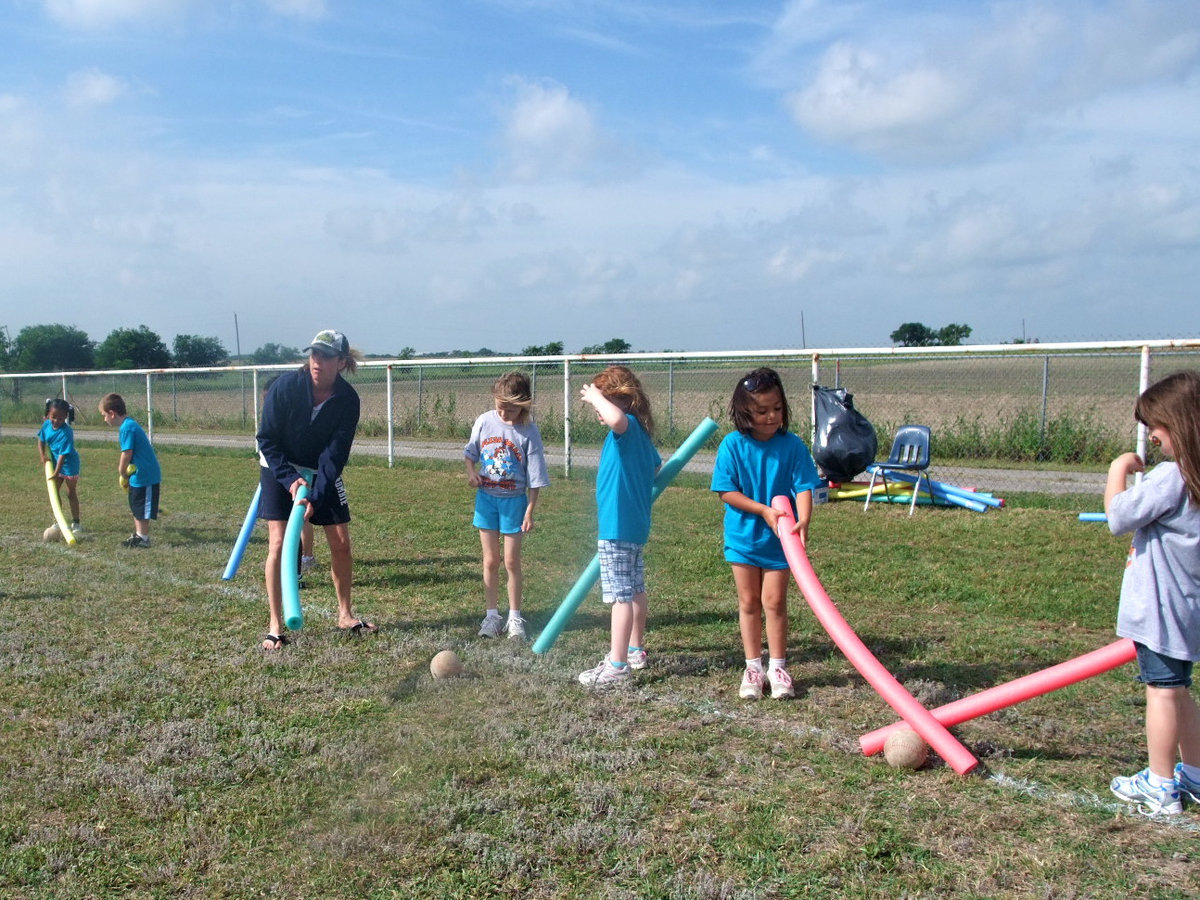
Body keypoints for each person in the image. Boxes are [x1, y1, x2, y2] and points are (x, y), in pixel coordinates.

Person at [1105, 370, 1200, 816]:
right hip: (1187, 610)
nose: (1153, 437)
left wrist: (1118, 469)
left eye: (1156, 428)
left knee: (1161, 694)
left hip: (1160, 612)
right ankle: (1194, 775)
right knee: (1179, 692)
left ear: (1178, 424)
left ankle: (1161, 786)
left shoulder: (1172, 477)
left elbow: (1119, 516)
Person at [255, 329, 375, 650]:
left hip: (320, 471)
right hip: (279, 468)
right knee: (279, 543)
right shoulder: (285, 388)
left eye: (325, 356)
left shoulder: (347, 400)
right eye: (314, 354)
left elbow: (334, 455)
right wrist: (291, 481)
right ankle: (276, 626)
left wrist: (314, 495)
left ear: (341, 362)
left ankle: (346, 614)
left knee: (340, 542)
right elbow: (266, 440)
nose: (317, 362)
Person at [710, 367, 821, 700]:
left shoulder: (793, 446)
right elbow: (726, 491)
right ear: (745, 411)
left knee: (774, 602)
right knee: (749, 602)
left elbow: (804, 485)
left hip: (780, 541)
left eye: (777, 408)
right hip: (743, 539)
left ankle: (778, 666)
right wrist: (762, 510)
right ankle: (753, 667)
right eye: (761, 411)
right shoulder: (732, 446)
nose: (771, 416)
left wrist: (803, 519)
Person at [577, 365, 661, 687]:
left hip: (616, 527)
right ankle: (635, 649)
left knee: (620, 597)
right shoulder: (637, 432)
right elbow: (655, 467)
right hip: (633, 526)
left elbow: (614, 419)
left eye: (603, 400)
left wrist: (596, 396)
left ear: (621, 401)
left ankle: (617, 666)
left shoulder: (624, 429)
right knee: (635, 588)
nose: (598, 410)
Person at [464, 371, 551, 640]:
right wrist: (471, 473)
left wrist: (529, 510)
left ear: (523, 404)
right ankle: (491, 617)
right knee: (490, 560)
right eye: (500, 407)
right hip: (486, 501)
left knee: (512, 561)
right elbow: (470, 454)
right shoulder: (484, 421)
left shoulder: (529, 431)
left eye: (511, 409)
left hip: (515, 503)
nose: (504, 414)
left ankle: (515, 618)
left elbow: (535, 477)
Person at [260, 375, 316, 585]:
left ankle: (298, 570)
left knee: (299, 521)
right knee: (278, 538)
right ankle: (275, 615)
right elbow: (267, 443)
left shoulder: (296, 412)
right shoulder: (270, 421)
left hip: (299, 472)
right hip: (274, 471)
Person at [99, 393, 163, 548]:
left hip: (145, 475)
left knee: (141, 507)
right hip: (137, 475)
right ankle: (139, 534)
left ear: (112, 414)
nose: (104, 419)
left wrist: (121, 471)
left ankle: (143, 538)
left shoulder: (127, 428)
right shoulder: (128, 425)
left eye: (104, 415)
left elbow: (127, 452)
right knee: (135, 504)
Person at [39, 398, 83, 534]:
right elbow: (41, 441)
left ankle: (76, 523)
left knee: (70, 493)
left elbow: (63, 456)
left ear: (66, 417)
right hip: (55, 462)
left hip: (69, 465)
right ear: (48, 415)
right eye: (53, 417)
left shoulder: (66, 432)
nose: (56, 421)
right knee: (55, 492)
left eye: (60, 418)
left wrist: (56, 472)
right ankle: (58, 521)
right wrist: (43, 456)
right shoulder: (46, 425)